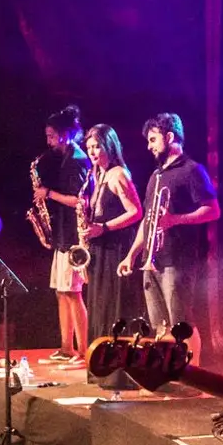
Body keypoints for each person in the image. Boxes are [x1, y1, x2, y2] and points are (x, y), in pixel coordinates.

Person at [119, 112, 219, 335]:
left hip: (177, 260)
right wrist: (132, 255)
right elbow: (148, 219)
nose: (149, 146)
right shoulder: (156, 175)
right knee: (159, 327)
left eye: (153, 139)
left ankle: (190, 360)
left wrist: (175, 220)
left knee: (181, 324)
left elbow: (213, 210)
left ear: (170, 137)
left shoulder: (192, 170)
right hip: (152, 261)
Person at [33, 106, 92, 363]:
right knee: (61, 291)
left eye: (51, 136)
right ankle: (66, 347)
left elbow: (80, 201)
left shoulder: (77, 160)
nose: (48, 142)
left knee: (73, 292)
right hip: (62, 234)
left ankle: (83, 350)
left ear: (65, 134)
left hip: (72, 237)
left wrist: (48, 194)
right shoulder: (67, 158)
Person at [79, 124, 144, 344]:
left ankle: (116, 361)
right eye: (89, 147)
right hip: (100, 249)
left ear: (109, 146)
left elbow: (136, 212)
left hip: (115, 250)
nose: (92, 152)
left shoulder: (118, 175)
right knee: (99, 306)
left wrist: (103, 227)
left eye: (97, 146)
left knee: (112, 306)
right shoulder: (99, 175)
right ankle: (100, 356)